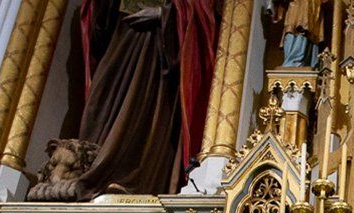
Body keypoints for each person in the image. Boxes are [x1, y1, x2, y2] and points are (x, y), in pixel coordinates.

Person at [29, 0, 220, 201]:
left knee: (141, 116)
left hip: (157, 56)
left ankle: (128, 181)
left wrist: (164, 15)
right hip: (119, 43)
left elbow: (203, 17)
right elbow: (98, 22)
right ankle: (88, 171)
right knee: (99, 108)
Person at [267, 0, 328, 67]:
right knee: (296, 28)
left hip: (313, 5)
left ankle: (303, 62)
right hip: (297, 5)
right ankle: (293, 61)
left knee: (307, 31)